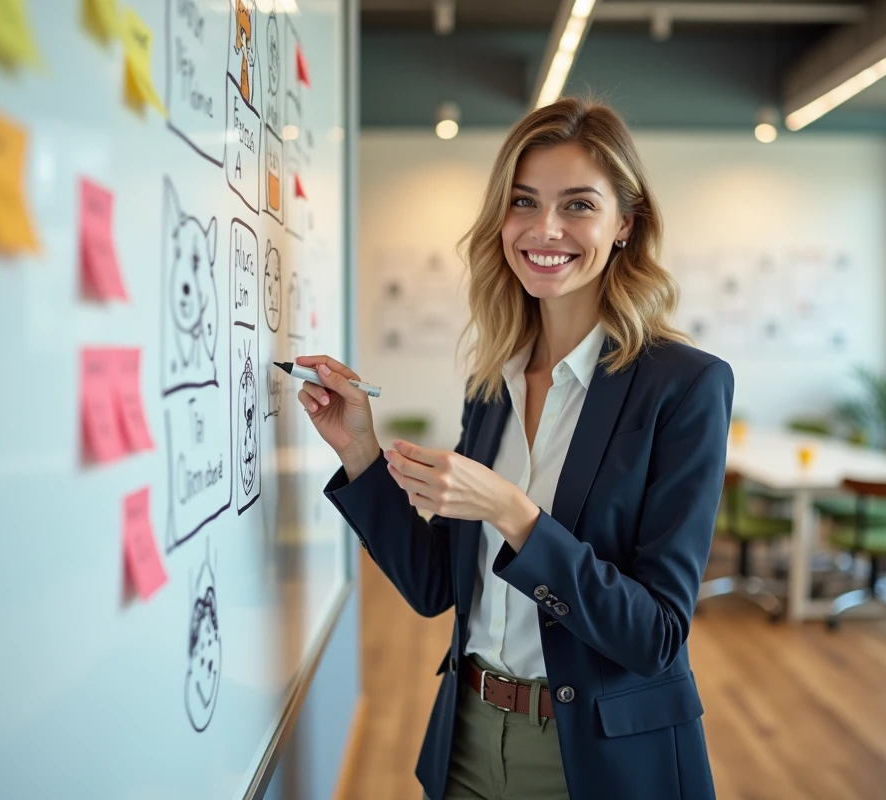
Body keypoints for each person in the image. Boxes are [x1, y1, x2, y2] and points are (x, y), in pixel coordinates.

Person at [297, 97, 733, 800]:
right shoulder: (491, 383)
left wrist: (515, 515)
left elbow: (655, 633)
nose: (545, 228)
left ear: (626, 223)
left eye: (579, 205)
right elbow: (439, 589)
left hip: (597, 759)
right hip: (468, 738)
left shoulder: (683, 386)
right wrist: (360, 453)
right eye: (523, 201)